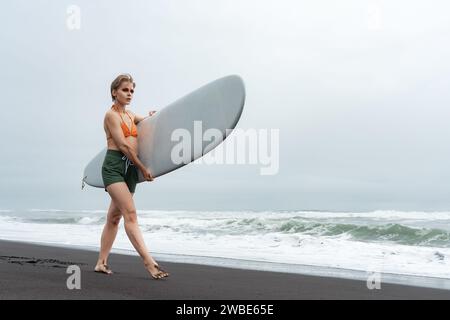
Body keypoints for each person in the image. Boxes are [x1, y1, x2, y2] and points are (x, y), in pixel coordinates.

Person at [94, 73, 169, 279]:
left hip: (130, 171)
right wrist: (143, 168)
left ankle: (101, 262)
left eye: (132, 91)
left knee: (114, 218)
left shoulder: (130, 115)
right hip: (114, 167)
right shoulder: (111, 116)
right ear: (114, 92)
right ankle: (150, 263)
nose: (129, 94)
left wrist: (151, 116)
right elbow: (124, 145)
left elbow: (146, 121)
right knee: (131, 214)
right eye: (125, 90)